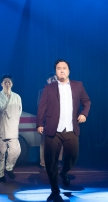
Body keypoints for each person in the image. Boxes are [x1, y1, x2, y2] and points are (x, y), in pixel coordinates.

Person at [37, 59, 91, 194]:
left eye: (64, 68)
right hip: (53, 129)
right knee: (51, 159)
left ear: (69, 71)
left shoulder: (78, 85)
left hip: (71, 128)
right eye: (59, 68)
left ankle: (64, 172)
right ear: (55, 71)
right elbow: (42, 107)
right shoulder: (49, 88)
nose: (61, 70)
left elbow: (86, 101)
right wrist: (40, 124)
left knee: (73, 155)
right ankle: (54, 186)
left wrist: (84, 114)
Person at [0, 74, 22, 182]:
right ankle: (0, 173)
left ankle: (9, 167)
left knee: (16, 150)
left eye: (9, 82)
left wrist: (14, 120)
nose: (7, 84)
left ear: (12, 84)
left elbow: (19, 111)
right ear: (1, 84)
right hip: (0, 128)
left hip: (12, 128)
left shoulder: (17, 97)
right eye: (5, 82)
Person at [37, 74, 59, 168]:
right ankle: (43, 162)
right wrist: (40, 123)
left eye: (55, 79)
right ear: (48, 81)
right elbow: (40, 107)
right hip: (46, 121)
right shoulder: (42, 91)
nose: (54, 80)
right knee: (45, 142)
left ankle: (56, 161)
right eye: (52, 79)